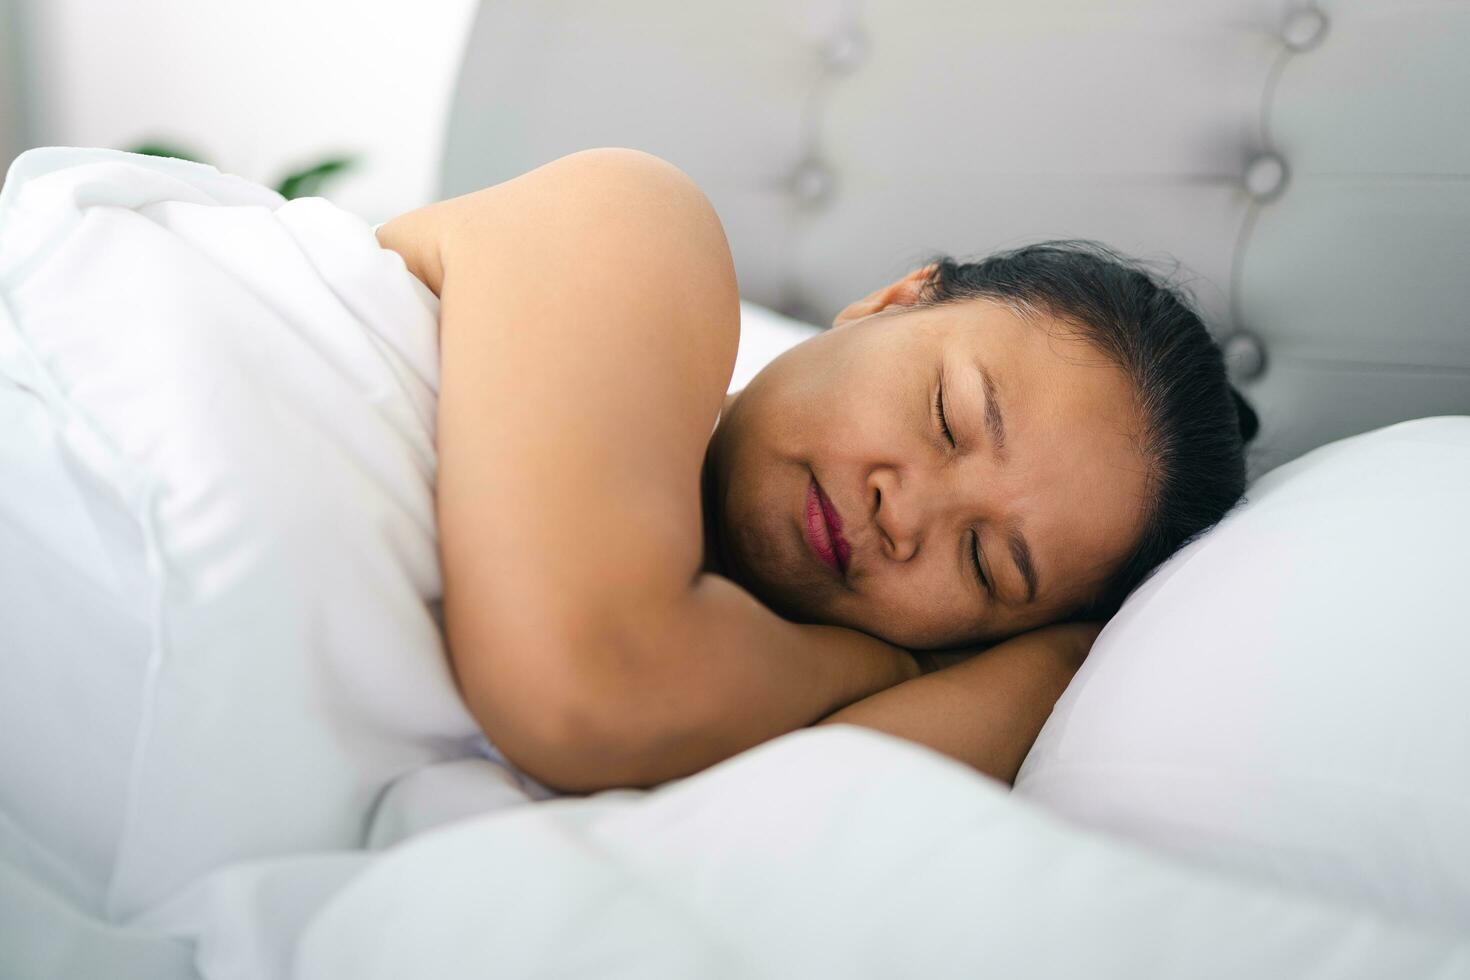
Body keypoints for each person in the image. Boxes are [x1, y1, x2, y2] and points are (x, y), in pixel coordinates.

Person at [374, 147, 1254, 796]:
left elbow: (795, 821)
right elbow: (587, 693)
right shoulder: (639, 228)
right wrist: (879, 672)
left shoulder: (740, 715)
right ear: (893, 301)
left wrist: (1056, 665)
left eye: (985, 562)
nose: (905, 517)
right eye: (947, 418)